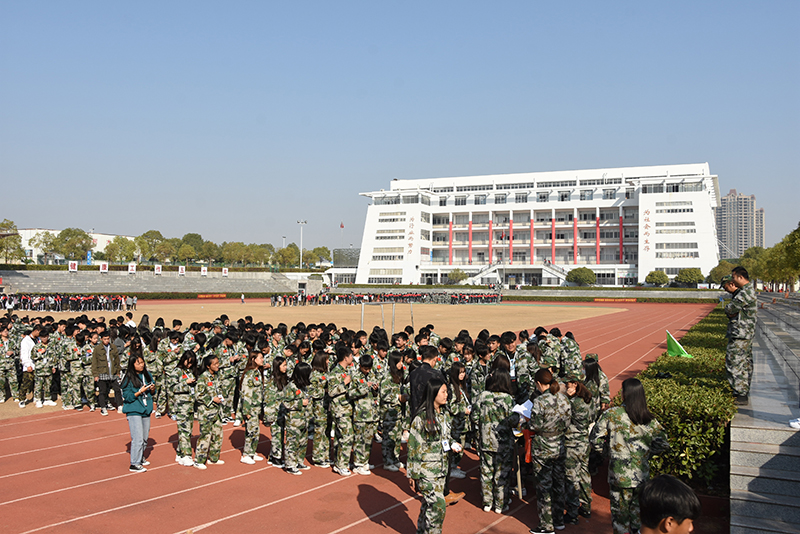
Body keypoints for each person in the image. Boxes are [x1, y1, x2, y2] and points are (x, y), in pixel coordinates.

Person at [590, 378, 671, 534]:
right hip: (641, 474)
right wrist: (645, 454)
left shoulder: (612, 414)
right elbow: (663, 443)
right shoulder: (648, 418)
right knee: (638, 514)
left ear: (625, 394)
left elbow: (595, 439)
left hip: (618, 475)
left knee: (620, 516)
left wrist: (608, 452)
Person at [407, 377, 460, 534]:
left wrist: (453, 443)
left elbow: (445, 438)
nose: (446, 395)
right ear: (433, 394)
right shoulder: (421, 418)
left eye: (446, 392)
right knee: (438, 506)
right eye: (443, 392)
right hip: (426, 472)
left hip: (441, 470)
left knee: (428, 504)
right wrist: (413, 474)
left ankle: (422, 531)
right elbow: (414, 446)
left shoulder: (444, 415)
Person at [528, 368, 571, 534]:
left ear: (539, 383)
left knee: (544, 486)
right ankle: (559, 519)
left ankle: (546, 526)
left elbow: (535, 425)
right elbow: (567, 422)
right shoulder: (563, 398)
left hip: (544, 447)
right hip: (559, 444)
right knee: (559, 483)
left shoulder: (540, 401)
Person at [471, 370, 517, 514]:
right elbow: (513, 421)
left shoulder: (483, 396)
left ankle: (487, 502)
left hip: (485, 440)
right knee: (501, 473)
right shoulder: (508, 399)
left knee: (486, 472)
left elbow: (474, 416)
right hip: (503, 443)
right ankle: (500, 504)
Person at [563, 376, 594, 523]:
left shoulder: (573, 402)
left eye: (567, 383)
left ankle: (572, 512)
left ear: (575, 384)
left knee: (571, 477)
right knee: (584, 474)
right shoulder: (589, 400)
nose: (565, 385)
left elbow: (563, 418)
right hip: (584, 442)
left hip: (572, 443)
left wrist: (566, 398)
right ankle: (586, 506)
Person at [725, 266, 757, 405]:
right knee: (745, 362)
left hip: (741, 333)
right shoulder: (746, 291)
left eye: (733, 277)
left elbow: (730, 309)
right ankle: (743, 391)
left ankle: (740, 392)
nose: (732, 281)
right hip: (745, 333)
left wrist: (733, 297)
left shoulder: (744, 293)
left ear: (739, 277)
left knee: (735, 361)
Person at [120, 355, 155, 473]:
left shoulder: (147, 375)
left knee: (145, 438)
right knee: (138, 438)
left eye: (142, 362)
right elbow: (127, 397)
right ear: (132, 365)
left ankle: (140, 457)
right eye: (138, 363)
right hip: (134, 409)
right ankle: (134, 463)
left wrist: (153, 389)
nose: (141, 365)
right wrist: (140, 391)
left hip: (146, 409)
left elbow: (152, 391)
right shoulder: (128, 378)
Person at [193, 354, 225, 470]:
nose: (217, 365)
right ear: (208, 366)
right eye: (215, 364)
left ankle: (214, 458)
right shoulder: (203, 378)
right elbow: (198, 395)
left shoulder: (216, 376)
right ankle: (199, 459)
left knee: (218, 435)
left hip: (217, 411)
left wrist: (220, 397)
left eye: (218, 363)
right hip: (206, 412)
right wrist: (212, 399)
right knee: (205, 435)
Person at [171, 350, 198, 466]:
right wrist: (185, 383)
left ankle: (179, 453)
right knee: (184, 430)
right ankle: (186, 455)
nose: (190, 365)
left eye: (192, 363)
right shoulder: (177, 371)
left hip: (190, 405)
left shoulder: (190, 371)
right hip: (181, 405)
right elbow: (172, 388)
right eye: (188, 362)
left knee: (188, 430)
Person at [91, 331, 122, 416]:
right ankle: (103, 407)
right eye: (105, 339)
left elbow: (117, 361)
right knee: (103, 391)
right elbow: (94, 362)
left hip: (112, 371)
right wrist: (95, 374)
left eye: (108, 339)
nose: (106, 340)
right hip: (102, 372)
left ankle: (119, 405)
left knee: (117, 389)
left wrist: (118, 372)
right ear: (101, 339)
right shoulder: (97, 349)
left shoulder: (113, 347)